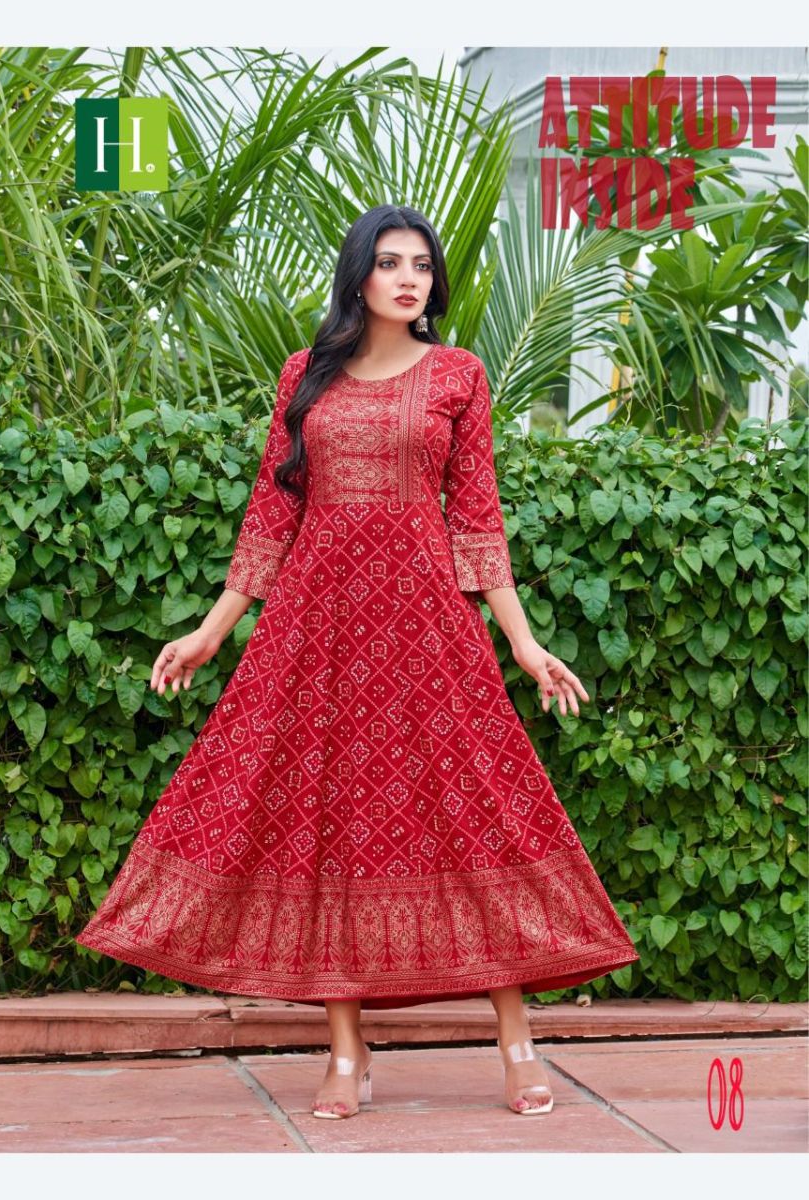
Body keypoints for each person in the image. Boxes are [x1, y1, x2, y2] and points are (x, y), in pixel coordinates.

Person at [75, 204, 639, 1121]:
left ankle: (517, 1042)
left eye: (422, 264)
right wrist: (213, 629)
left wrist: (524, 642)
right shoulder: (306, 376)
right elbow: (273, 513)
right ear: (359, 276)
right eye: (389, 262)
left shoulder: (458, 375)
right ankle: (346, 1051)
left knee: (476, 813)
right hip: (318, 628)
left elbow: (477, 518)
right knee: (327, 823)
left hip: (427, 629)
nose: (409, 278)